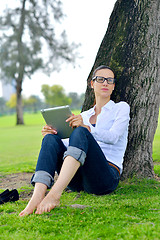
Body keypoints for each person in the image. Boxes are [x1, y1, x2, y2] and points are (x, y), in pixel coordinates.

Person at [19, 65, 130, 216]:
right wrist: (52, 135)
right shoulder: (83, 115)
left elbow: (114, 137)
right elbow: (71, 146)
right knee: (51, 139)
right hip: (78, 181)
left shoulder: (121, 108)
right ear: (92, 84)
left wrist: (88, 129)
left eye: (110, 80)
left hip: (105, 178)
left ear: (113, 86)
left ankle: (54, 195)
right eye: (101, 79)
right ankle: (37, 196)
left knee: (81, 131)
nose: (105, 83)